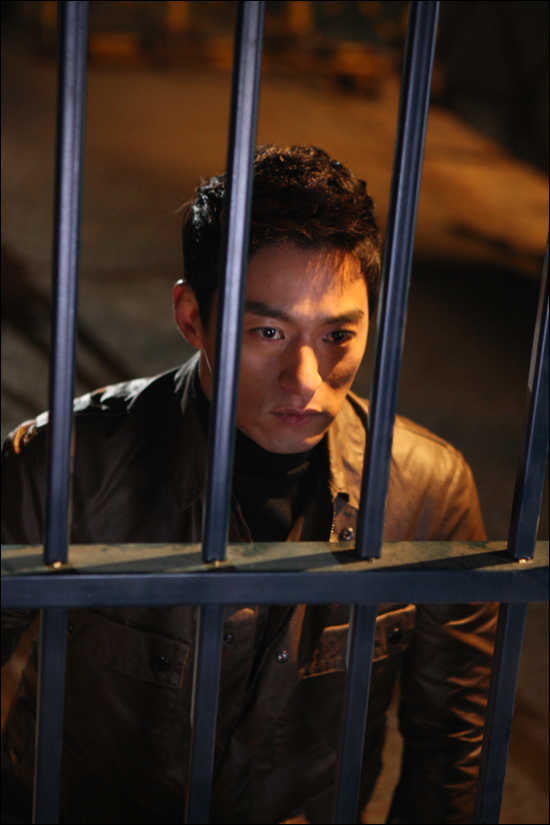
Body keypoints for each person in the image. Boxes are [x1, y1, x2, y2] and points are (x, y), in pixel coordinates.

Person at [1, 145, 497, 825]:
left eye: (338, 335)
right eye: (268, 330)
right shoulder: (65, 464)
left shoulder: (429, 489)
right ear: (191, 316)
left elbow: (452, 743)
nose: (305, 379)